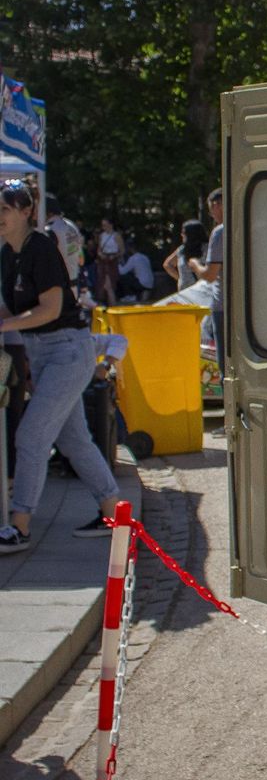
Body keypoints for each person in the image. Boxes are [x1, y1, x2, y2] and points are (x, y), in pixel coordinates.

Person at [0, 181, 122, 552]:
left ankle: (19, 525)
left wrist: (5, 325)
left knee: (31, 436)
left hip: (68, 351)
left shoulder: (41, 247)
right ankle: (115, 513)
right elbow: (11, 310)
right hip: (44, 353)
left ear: (25, 212)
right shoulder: (7, 252)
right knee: (74, 441)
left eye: (4, 210)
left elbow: (51, 310)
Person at [203, 188, 225, 369]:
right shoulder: (253, 225)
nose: (212, 214)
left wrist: (194, 264)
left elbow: (210, 275)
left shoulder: (220, 232)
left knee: (225, 363)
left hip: (223, 306)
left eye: (211, 208)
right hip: (252, 306)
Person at [45, 195, 85, 285]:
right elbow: (81, 257)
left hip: (58, 284)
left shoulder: (50, 229)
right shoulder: (71, 225)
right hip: (74, 279)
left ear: (48, 212)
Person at [94, 217, 125, 306]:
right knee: (103, 284)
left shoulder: (116, 235)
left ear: (110, 225)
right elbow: (99, 250)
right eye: (103, 225)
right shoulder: (102, 236)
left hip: (112, 260)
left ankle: (113, 305)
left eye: (105, 225)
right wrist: (101, 255)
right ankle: (108, 304)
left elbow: (122, 250)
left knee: (109, 284)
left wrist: (114, 256)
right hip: (103, 260)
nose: (104, 227)